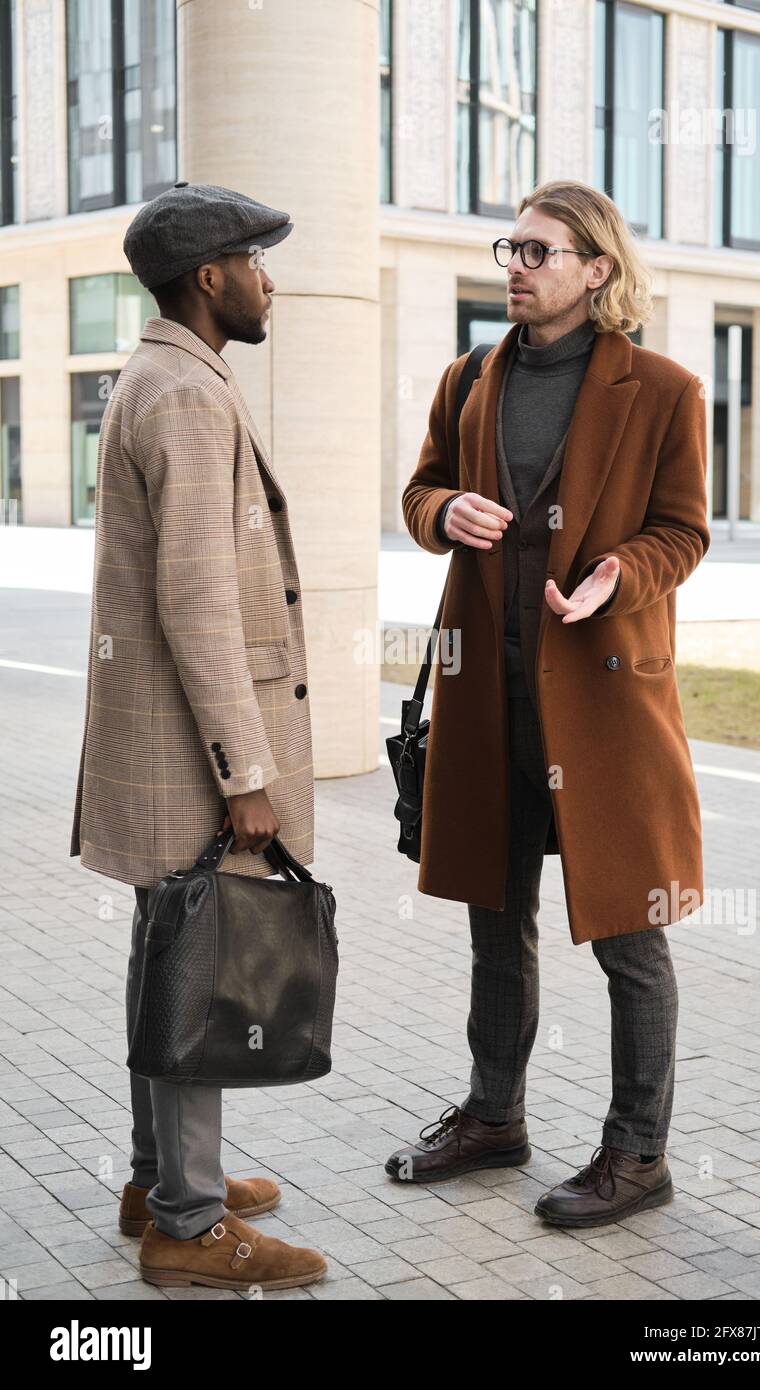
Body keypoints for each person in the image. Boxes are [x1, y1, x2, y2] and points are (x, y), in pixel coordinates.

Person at [387, 179, 710, 1227]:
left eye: (537, 251)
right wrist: (444, 510)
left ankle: (637, 1154)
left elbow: (682, 531)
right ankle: (495, 1119)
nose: (514, 267)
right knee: (495, 918)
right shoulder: (469, 376)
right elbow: (419, 491)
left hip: (605, 705)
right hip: (488, 699)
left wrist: (620, 572)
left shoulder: (662, 389)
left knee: (629, 932)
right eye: (509, 249)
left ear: (595, 269)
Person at [70, 181, 326, 1289]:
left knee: (168, 958)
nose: (270, 281)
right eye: (256, 261)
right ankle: (188, 1221)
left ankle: (158, 1180)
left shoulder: (169, 375)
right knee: (197, 969)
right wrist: (245, 771)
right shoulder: (181, 391)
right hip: (190, 755)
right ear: (209, 277)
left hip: (168, 745)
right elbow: (198, 600)